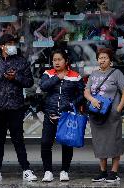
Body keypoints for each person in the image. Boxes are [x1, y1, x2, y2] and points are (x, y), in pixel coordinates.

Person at [0, 34, 37, 183]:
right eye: (9, 43)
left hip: (16, 108)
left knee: (18, 139)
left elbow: (29, 82)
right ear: (1, 46)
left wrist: (16, 77)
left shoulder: (21, 62)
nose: (12, 45)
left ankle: (26, 170)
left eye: (13, 43)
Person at [84, 48, 124, 183]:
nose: (102, 60)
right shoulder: (93, 74)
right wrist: (92, 100)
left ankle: (114, 172)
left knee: (114, 141)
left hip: (112, 114)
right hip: (97, 115)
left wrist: (118, 109)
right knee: (100, 142)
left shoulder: (116, 73)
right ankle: (103, 171)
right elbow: (86, 91)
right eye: (100, 58)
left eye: (105, 58)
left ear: (110, 60)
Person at [39, 49, 85, 182]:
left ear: (66, 61)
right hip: (50, 114)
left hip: (66, 116)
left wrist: (71, 104)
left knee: (66, 143)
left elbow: (82, 95)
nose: (57, 62)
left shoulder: (75, 76)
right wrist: (57, 78)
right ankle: (48, 171)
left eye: (59, 60)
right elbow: (43, 87)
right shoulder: (48, 73)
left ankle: (64, 171)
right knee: (46, 143)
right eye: (54, 60)